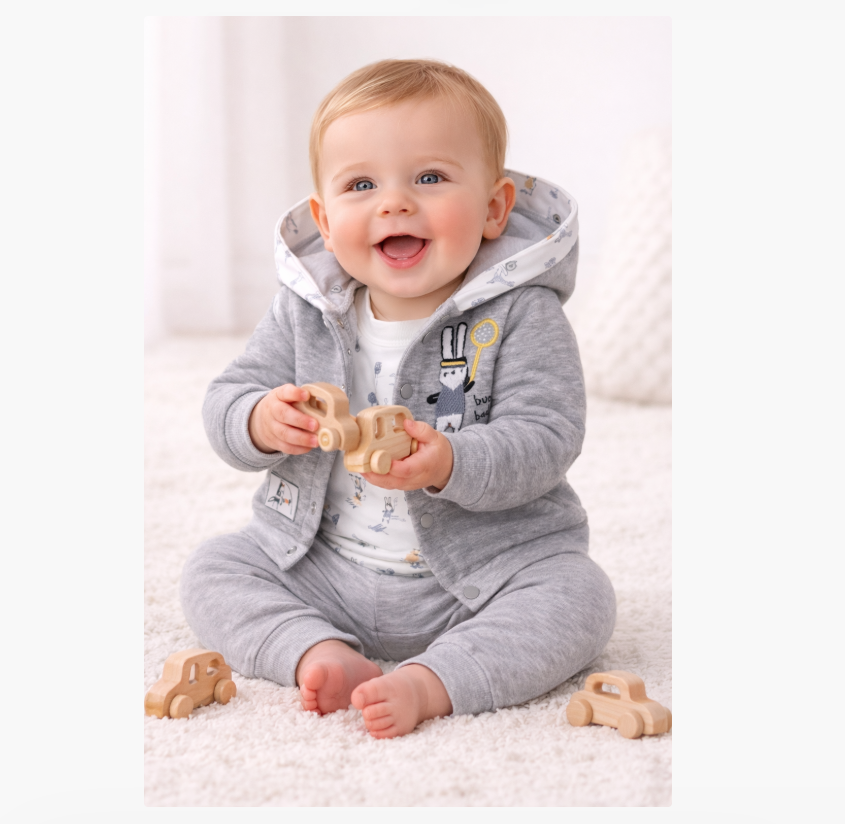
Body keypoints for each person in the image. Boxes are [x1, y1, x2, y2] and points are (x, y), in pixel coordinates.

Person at [181, 59, 616, 739]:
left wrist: (450, 462)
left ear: (494, 208)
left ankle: (434, 679)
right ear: (325, 222)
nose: (394, 203)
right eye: (361, 185)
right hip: (321, 566)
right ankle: (315, 648)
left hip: (480, 575)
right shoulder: (304, 310)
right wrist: (261, 421)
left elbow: (548, 433)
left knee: (580, 596)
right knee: (213, 569)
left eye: (430, 178)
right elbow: (228, 397)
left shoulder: (522, 313)